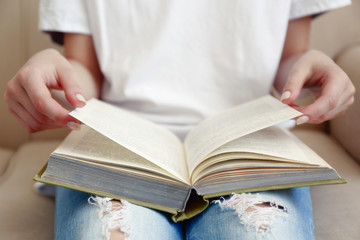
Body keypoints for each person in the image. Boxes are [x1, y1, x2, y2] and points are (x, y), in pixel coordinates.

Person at [4, 0, 355, 239]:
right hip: (121, 142)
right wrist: (53, 69)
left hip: (248, 141)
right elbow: (86, 73)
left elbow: (290, 57)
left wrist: (311, 64)